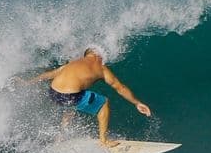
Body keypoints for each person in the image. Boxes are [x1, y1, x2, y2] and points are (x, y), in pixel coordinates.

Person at [20, 48, 151, 147]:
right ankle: (104, 141)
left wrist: (27, 82)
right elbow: (120, 88)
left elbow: (49, 75)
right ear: (99, 56)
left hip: (53, 93)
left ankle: (60, 136)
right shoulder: (101, 68)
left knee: (71, 106)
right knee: (103, 103)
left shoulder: (72, 63)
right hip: (70, 96)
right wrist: (137, 103)